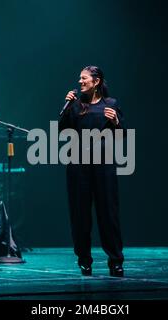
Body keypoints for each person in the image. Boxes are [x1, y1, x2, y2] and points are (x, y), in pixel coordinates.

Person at [59, 66, 125, 277]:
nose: (80, 81)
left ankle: (115, 261)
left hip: (104, 166)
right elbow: (62, 130)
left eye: (84, 78)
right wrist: (67, 104)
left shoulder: (111, 104)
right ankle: (84, 260)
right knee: (80, 216)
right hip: (78, 166)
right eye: (79, 78)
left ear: (96, 81)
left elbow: (122, 135)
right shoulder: (76, 105)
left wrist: (116, 122)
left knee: (108, 214)